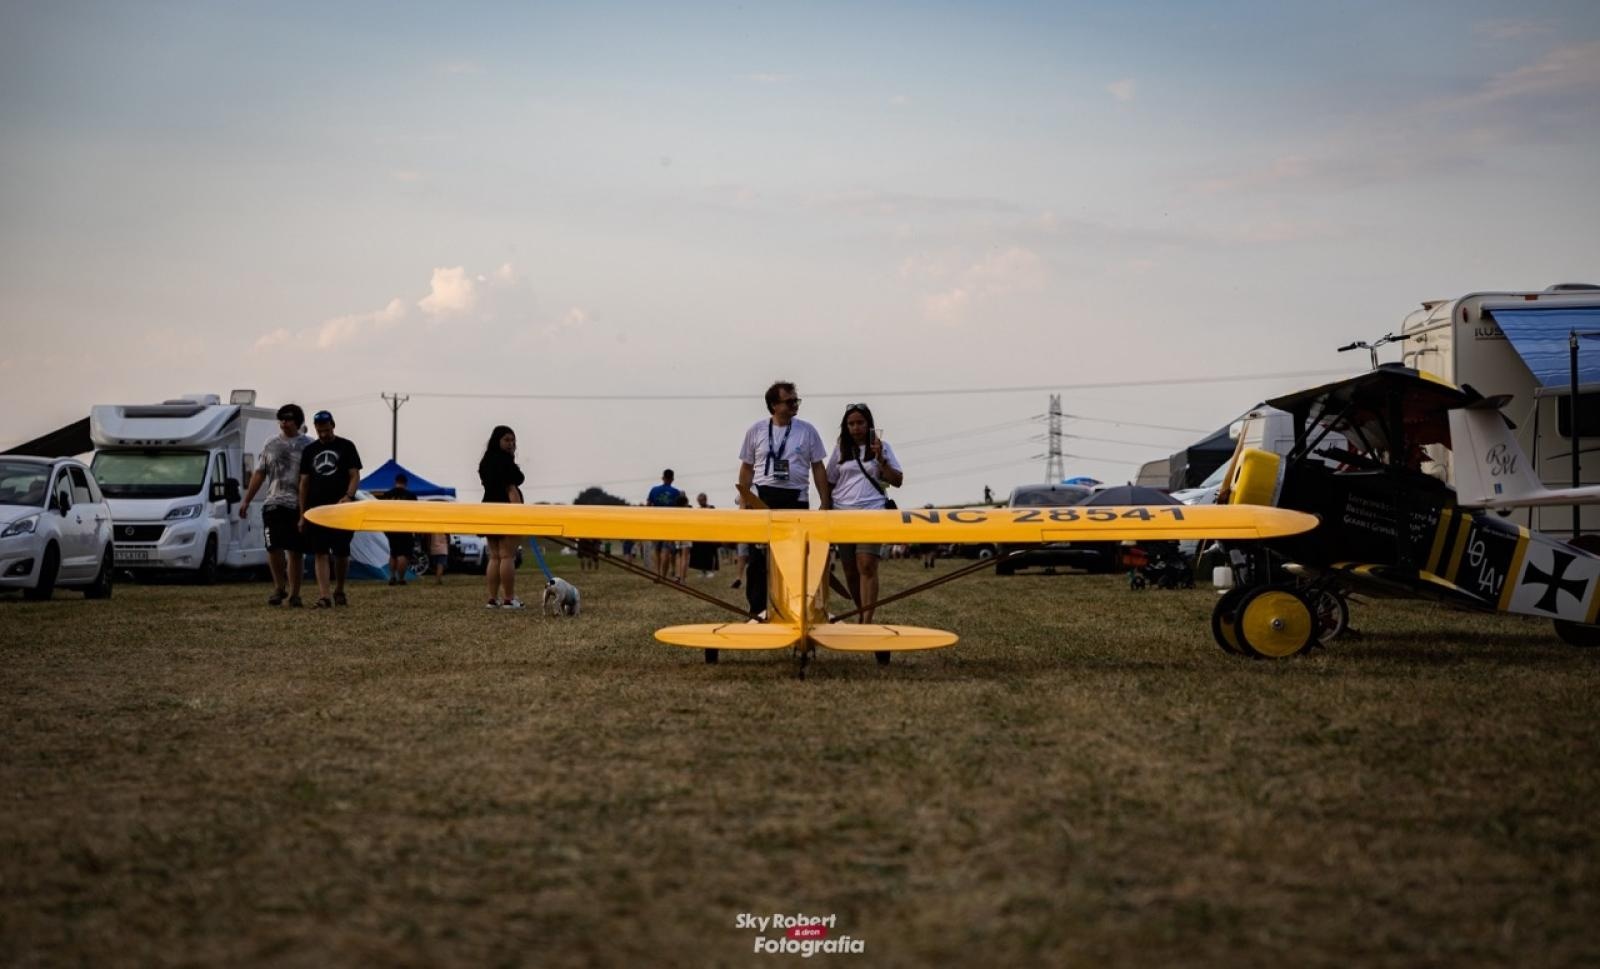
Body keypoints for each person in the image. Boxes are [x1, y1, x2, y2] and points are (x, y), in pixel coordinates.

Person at [736, 381, 832, 619]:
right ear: (773, 405)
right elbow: (747, 467)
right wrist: (744, 500)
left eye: (796, 400)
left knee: (796, 559)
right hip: (762, 497)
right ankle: (756, 611)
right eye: (789, 401)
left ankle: (796, 611)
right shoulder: (756, 430)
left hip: (796, 498)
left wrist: (825, 501)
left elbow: (818, 467)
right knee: (758, 559)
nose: (794, 405)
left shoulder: (807, 431)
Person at [238, 403, 312, 607]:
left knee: (296, 551)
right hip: (273, 503)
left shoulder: (309, 445)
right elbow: (260, 473)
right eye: (281, 419)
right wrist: (247, 500)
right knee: (273, 547)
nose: (284, 423)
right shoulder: (271, 444)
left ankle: (295, 594)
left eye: (288, 419)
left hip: (298, 505)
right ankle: (279, 587)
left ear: (297, 422)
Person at [297, 410, 362, 608]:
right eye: (319, 431)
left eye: (326, 430)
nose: (323, 434)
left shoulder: (347, 446)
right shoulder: (309, 451)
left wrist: (348, 496)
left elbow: (354, 475)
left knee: (341, 553)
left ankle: (339, 589)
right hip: (317, 510)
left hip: (342, 510)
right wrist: (302, 514)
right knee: (320, 552)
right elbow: (304, 483)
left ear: (333, 425)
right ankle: (324, 596)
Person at [478, 425, 525, 608]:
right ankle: (509, 598)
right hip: (506, 509)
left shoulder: (486, 462)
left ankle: (492, 598)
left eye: (513, 440)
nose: (511, 444)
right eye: (507, 440)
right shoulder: (506, 462)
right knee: (507, 556)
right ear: (497, 440)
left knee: (495, 556)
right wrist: (519, 514)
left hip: (488, 508)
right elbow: (511, 489)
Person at [646, 469, 683, 581]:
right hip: (669, 524)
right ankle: (663, 575)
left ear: (663, 477)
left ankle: (657, 574)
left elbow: (648, 505)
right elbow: (680, 509)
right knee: (666, 551)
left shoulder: (654, 490)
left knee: (656, 550)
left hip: (656, 523)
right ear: (672, 479)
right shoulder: (676, 492)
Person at [382, 472, 418, 585]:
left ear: (395, 482)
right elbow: (415, 513)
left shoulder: (387, 495)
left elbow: (382, 511)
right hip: (405, 527)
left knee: (393, 554)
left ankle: (392, 577)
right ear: (406, 483)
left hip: (390, 528)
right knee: (403, 554)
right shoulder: (411, 496)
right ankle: (401, 578)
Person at [690, 492, 719, 578]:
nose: (700, 502)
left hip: (710, 535)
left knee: (711, 554)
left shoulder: (711, 508)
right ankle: (703, 571)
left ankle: (711, 571)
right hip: (700, 535)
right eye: (699, 501)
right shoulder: (697, 510)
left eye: (701, 500)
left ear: (705, 500)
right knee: (701, 554)